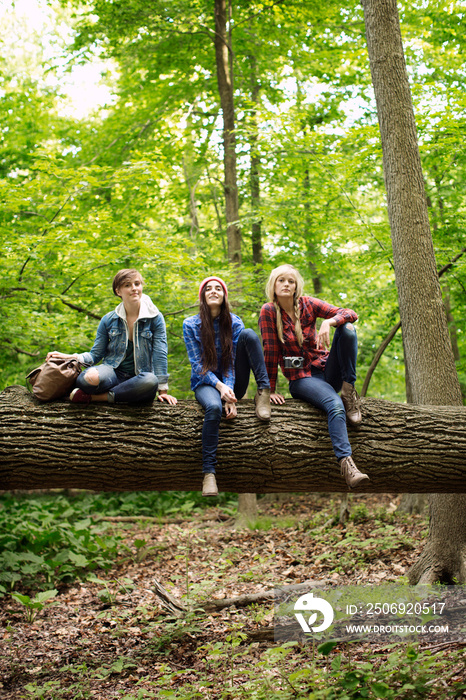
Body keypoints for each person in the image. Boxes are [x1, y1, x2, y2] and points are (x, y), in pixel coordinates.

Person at [258, 264, 369, 489]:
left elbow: (350, 313)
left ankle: (349, 392)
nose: (286, 284)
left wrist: (330, 321)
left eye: (291, 281)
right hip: (302, 380)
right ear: (274, 285)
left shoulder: (308, 304)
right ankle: (348, 465)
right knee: (334, 406)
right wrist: (269, 389)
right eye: (281, 280)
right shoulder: (269, 311)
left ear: (297, 285)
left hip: (329, 370)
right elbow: (270, 351)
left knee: (347, 329)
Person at [183, 276, 271, 497]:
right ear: (203, 296)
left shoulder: (235, 322)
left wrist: (229, 394)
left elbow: (232, 364)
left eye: (218, 289)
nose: (214, 291)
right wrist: (220, 389)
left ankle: (264, 390)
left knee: (250, 335)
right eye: (208, 289)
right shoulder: (190, 324)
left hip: (231, 384)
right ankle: (209, 473)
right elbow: (198, 366)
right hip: (205, 383)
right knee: (213, 409)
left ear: (224, 296)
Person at [46, 268, 177, 406]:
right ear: (118, 291)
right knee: (87, 378)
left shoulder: (155, 318)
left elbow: (160, 354)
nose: (134, 288)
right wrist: (70, 357)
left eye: (137, 284)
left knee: (150, 381)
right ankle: (123, 394)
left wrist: (163, 391)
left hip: (139, 378)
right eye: (127, 285)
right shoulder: (108, 320)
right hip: (112, 373)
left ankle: (98, 398)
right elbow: (95, 355)